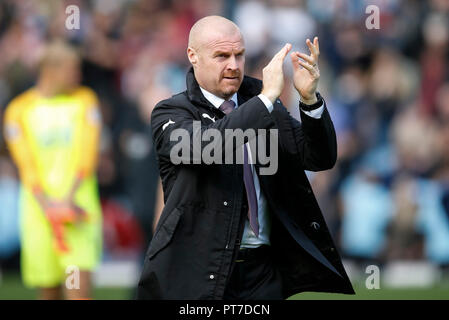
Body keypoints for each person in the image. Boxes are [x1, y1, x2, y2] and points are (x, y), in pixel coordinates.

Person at [137, 16, 354, 299]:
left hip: (261, 273)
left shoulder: (266, 106)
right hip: (196, 270)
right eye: (222, 56)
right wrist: (264, 101)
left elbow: (319, 158)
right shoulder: (171, 112)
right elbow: (207, 147)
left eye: (239, 55)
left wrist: (309, 100)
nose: (234, 66)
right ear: (193, 56)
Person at [3, 41, 102, 300]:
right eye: (73, 69)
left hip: (78, 207)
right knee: (48, 291)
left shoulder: (85, 101)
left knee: (78, 291)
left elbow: (87, 153)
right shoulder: (18, 110)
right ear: (51, 70)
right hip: (39, 212)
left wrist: (68, 199)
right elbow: (26, 164)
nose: (78, 76)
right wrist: (47, 204)